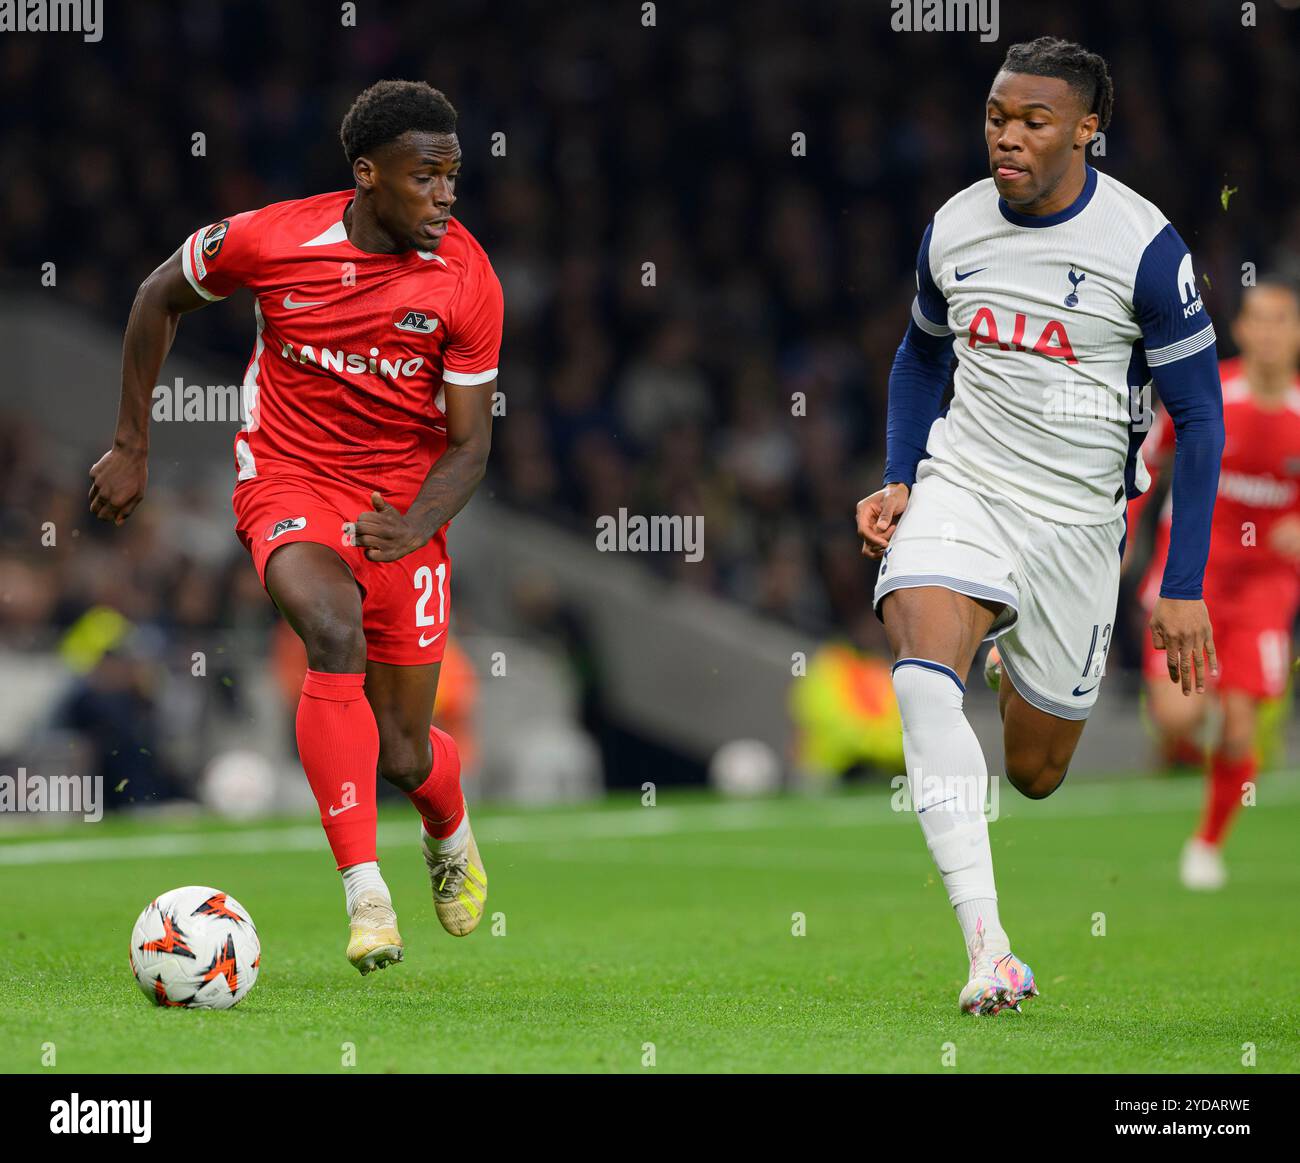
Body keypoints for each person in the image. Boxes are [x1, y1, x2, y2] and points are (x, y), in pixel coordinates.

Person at [89, 80, 503, 975]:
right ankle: (366, 895)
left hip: (403, 504)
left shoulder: (467, 278)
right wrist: (131, 444)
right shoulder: (272, 239)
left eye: (454, 176)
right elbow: (157, 295)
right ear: (367, 173)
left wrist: (418, 522)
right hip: (289, 475)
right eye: (426, 176)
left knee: (402, 750)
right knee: (330, 629)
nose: (445, 195)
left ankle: (448, 824)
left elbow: (471, 447)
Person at [856, 38, 1223, 1014]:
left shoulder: (1145, 247)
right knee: (921, 670)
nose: (1006, 138)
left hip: (1075, 525)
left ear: (1085, 130)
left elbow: (1199, 416)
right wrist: (900, 479)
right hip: (964, 485)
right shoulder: (954, 228)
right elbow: (919, 357)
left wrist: (1181, 584)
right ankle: (989, 949)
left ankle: (1014, 652)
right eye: (994, 117)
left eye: (1033, 121)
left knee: (1036, 771)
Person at [1128, 279, 1300, 889]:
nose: (1273, 332)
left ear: (1297, 333)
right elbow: (1143, 458)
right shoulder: (1210, 393)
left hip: (1266, 592)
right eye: (1262, 319)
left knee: (1238, 728)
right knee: (1177, 718)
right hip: (1189, 578)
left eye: (1285, 320)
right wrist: (1123, 531)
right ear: (1243, 330)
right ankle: (1188, 724)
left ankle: (1206, 843)